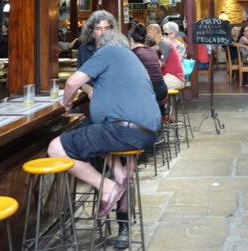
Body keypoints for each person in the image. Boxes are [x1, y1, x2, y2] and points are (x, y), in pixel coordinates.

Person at [48, 15, 160, 247]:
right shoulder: (125, 54)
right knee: (95, 135)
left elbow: (72, 82)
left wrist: (67, 103)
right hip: (135, 126)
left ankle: (112, 198)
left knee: (57, 147)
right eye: (97, 28)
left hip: (122, 128)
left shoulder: (108, 51)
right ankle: (117, 177)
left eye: (105, 28)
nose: (100, 31)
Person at [128, 23, 167, 115]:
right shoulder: (152, 50)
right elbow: (159, 64)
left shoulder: (134, 53)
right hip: (162, 88)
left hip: (150, 90)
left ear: (131, 39)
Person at [150, 22, 185, 89]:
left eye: (166, 34)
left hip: (174, 76)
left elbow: (161, 63)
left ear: (174, 33)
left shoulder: (165, 43)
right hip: (168, 75)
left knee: (151, 86)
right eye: (163, 33)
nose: (164, 36)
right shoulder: (162, 43)